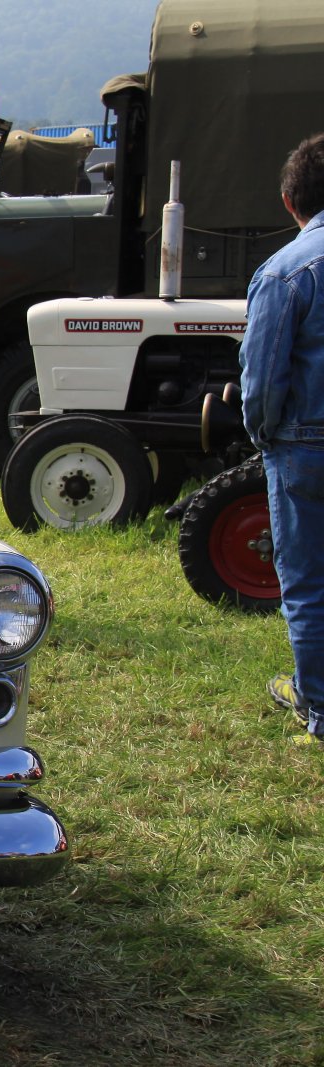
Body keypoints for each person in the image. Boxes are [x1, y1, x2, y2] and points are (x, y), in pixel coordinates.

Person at [245, 134, 324, 744]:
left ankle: (317, 706)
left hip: (306, 443)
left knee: (307, 582)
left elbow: (263, 378)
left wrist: (263, 434)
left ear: (289, 201)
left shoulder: (285, 270)